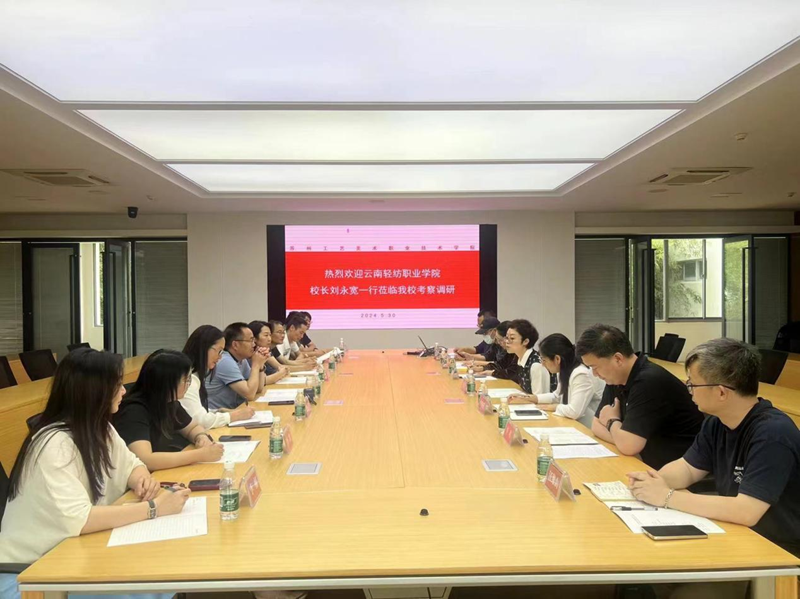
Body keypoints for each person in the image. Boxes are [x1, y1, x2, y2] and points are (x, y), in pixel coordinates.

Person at [0, 349, 189, 599]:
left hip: (72, 556)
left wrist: (141, 479)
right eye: (117, 385)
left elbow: (133, 463)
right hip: (30, 573)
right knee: (147, 585)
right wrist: (154, 508)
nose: (123, 391)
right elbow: (82, 519)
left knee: (159, 571)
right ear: (94, 391)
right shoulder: (53, 444)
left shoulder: (100, 428)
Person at [628, 338, 800, 557]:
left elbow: (747, 511)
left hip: (780, 549)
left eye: (692, 384)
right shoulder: (717, 422)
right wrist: (653, 481)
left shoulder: (773, 434)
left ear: (721, 392)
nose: (689, 390)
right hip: (739, 533)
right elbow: (688, 468)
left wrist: (666, 496)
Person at [576, 324, 703, 470]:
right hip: (642, 461)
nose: (594, 374)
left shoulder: (649, 381)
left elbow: (628, 445)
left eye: (595, 367)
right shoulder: (615, 378)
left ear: (618, 359)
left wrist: (612, 421)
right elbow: (597, 425)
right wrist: (621, 439)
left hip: (678, 469)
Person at [112, 350, 224, 471]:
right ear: (167, 383)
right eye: (186, 380)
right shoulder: (134, 410)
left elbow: (192, 427)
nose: (188, 384)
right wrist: (200, 455)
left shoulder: (168, 401)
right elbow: (145, 459)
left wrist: (201, 437)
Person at [181, 324, 255, 429]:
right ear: (204, 348)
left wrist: (219, 411)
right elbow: (200, 421)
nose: (220, 357)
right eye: (219, 351)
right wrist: (234, 416)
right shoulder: (187, 379)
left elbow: (197, 410)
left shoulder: (196, 374)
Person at [523, 333, 604, 429]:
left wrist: (553, 407)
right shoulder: (564, 370)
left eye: (544, 360)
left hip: (588, 428)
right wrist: (533, 398)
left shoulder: (581, 374)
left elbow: (574, 412)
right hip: (571, 423)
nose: (542, 364)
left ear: (557, 359)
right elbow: (557, 396)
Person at [205, 322, 270, 410]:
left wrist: (260, 365)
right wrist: (255, 365)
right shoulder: (225, 361)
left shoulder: (241, 359)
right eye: (250, 340)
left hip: (233, 410)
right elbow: (249, 394)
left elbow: (258, 389)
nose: (254, 344)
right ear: (235, 345)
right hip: (217, 414)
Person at [504, 319, 550, 397]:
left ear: (525, 341)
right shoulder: (520, 359)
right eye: (506, 337)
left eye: (512, 338)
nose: (507, 342)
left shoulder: (536, 365)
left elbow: (539, 398)